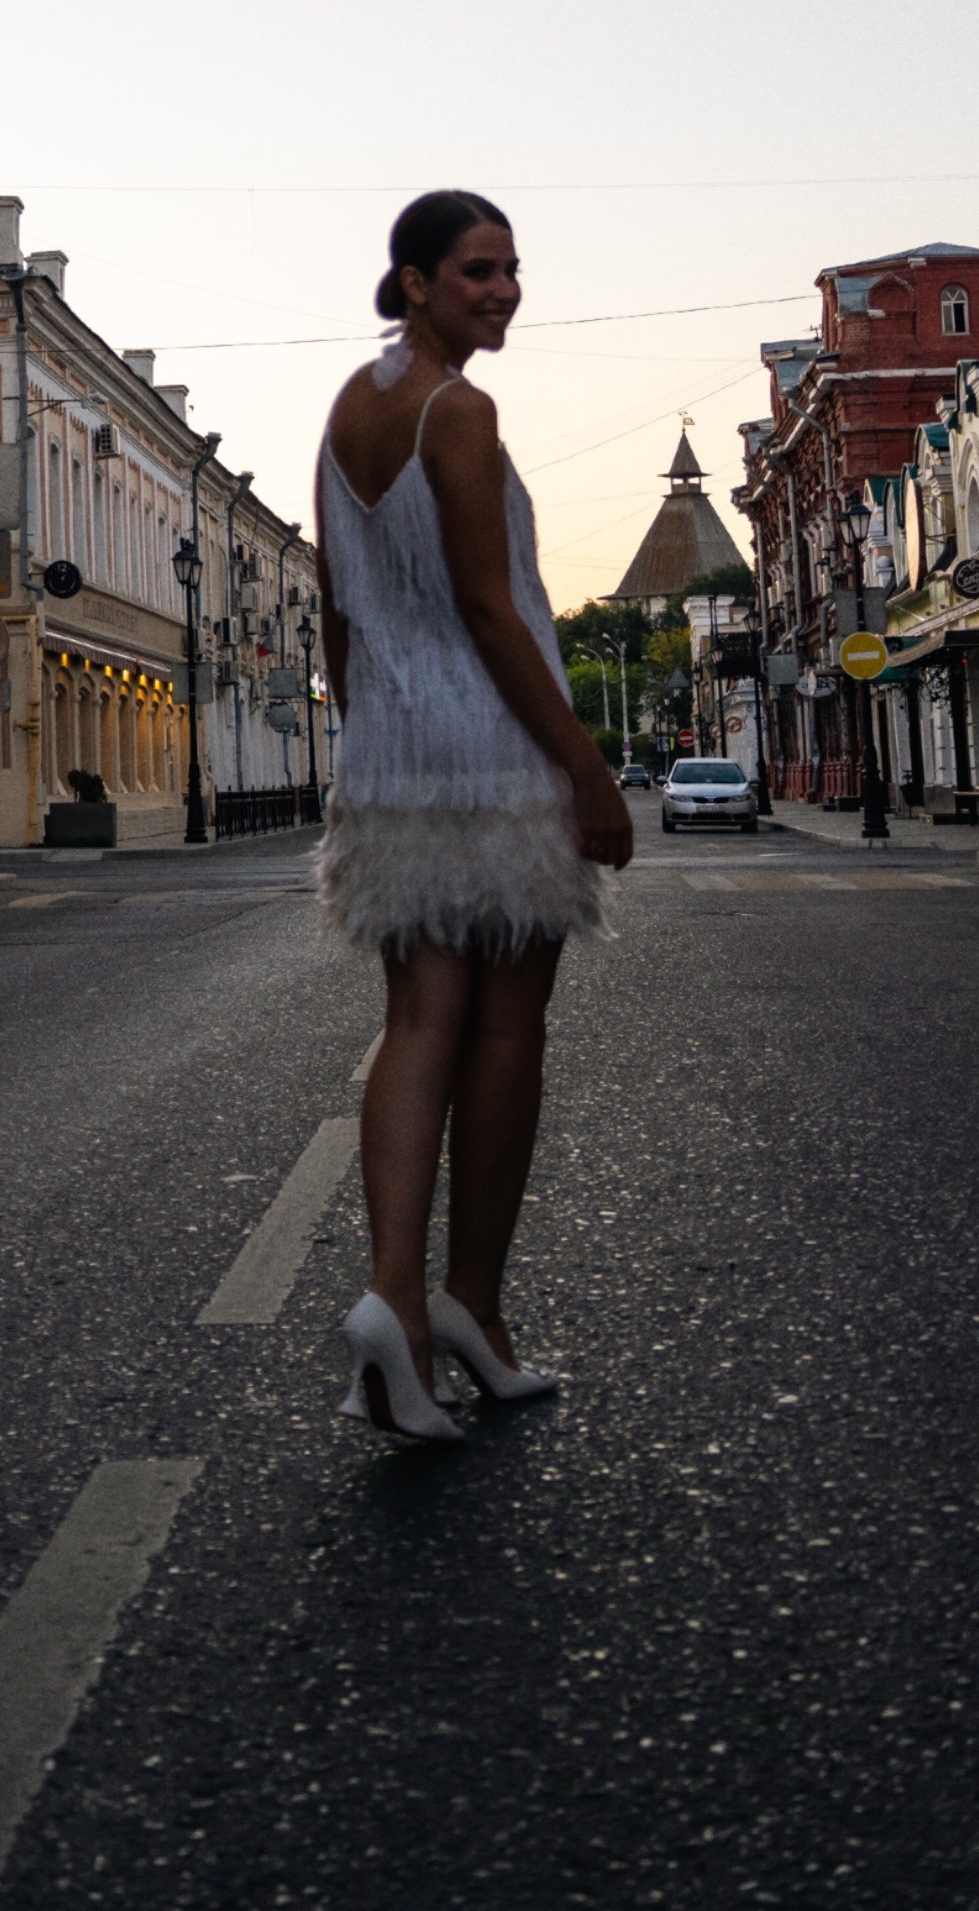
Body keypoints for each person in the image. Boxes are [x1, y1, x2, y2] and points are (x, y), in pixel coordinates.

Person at [314, 190, 632, 1443]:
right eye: (476, 271)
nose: (501, 291)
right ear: (414, 280)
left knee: (415, 1024)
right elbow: (496, 615)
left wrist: (367, 719)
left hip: (391, 748)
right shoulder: (460, 409)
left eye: (510, 270)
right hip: (493, 747)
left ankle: (402, 1309)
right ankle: (474, 1306)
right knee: (505, 1037)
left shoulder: (351, 403)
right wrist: (589, 774)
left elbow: (340, 598)